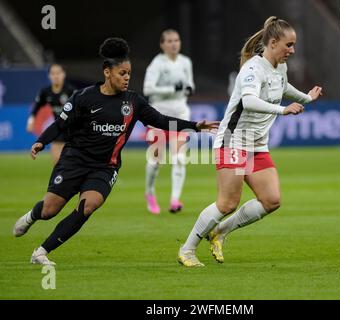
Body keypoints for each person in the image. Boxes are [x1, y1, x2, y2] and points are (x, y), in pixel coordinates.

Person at [12, 37, 218, 266]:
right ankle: (32, 216)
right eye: (122, 73)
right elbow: (60, 124)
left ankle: (41, 252)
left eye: (129, 73)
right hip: (75, 160)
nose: (127, 77)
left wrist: (195, 126)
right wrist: (41, 142)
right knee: (49, 210)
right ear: (107, 72)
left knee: (87, 206)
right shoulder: (84, 97)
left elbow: (161, 120)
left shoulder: (133, 102)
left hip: (105, 167)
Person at [178, 16, 323, 267]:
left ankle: (220, 232)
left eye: (294, 45)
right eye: (289, 45)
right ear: (274, 42)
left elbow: (282, 86)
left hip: (256, 144)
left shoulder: (279, 67)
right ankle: (187, 249)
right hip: (234, 140)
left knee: (271, 200)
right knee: (227, 203)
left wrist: (306, 98)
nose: (292, 50)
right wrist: (283, 110)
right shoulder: (252, 69)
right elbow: (249, 101)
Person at [143, 29, 195, 215]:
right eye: (170, 41)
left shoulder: (185, 62)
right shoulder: (157, 64)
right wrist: (172, 89)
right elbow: (147, 89)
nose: (174, 44)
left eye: (177, 40)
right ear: (162, 44)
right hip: (158, 116)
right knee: (156, 161)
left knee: (179, 158)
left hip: (180, 115)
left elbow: (190, 85)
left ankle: (175, 199)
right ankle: (149, 192)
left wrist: (188, 89)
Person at [26, 63, 75, 164]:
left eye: (58, 73)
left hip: (73, 130)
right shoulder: (45, 92)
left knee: (74, 163)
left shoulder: (71, 91)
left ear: (64, 74)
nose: (56, 76)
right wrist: (31, 121)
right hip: (59, 129)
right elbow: (36, 107)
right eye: (53, 73)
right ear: (49, 76)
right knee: (57, 162)